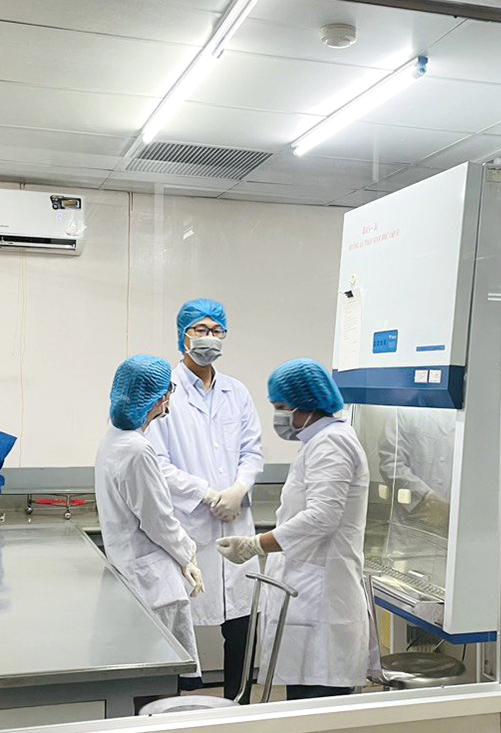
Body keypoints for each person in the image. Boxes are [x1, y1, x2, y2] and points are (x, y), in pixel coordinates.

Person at [216, 358, 370, 700]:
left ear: (308, 404)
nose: (279, 417)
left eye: (282, 407)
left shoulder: (332, 444)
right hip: (309, 595)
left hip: (322, 599)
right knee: (302, 699)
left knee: (318, 704)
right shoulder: (318, 441)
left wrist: (256, 544)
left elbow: (322, 517)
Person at [146, 298, 264, 701]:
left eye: (216, 331)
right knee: (184, 627)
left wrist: (238, 489)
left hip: (236, 521)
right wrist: (207, 493)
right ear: (183, 335)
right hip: (189, 524)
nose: (209, 338)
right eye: (201, 330)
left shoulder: (237, 392)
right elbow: (157, 462)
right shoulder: (166, 392)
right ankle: (183, 711)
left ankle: (239, 707)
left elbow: (252, 451)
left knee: (241, 626)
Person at [94, 355, 205, 677]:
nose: (169, 397)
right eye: (168, 390)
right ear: (157, 399)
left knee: (142, 671)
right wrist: (188, 555)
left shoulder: (114, 438)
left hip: (131, 571)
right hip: (152, 582)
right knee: (161, 674)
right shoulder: (137, 450)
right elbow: (158, 519)